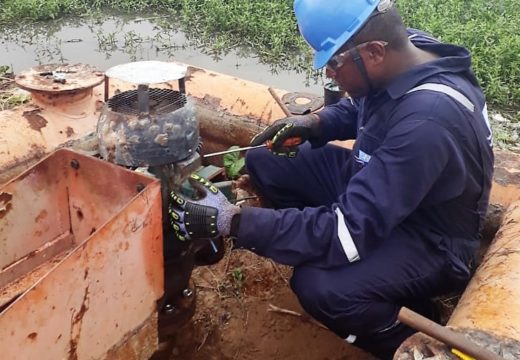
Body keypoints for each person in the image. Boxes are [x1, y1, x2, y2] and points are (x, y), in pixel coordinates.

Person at [169, 0, 494, 358]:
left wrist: (234, 221)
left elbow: (349, 230)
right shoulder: (404, 53)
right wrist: (316, 124)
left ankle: (406, 327)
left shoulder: (427, 122)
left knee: (320, 287)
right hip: (382, 185)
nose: (329, 75)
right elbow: (361, 106)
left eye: (334, 63)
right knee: (266, 161)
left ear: (374, 52)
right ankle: (319, 243)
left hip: (428, 237)